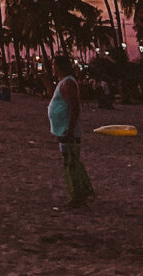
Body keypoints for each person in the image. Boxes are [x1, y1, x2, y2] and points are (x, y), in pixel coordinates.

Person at [48, 56, 94, 208]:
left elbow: (74, 106)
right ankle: (85, 190)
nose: (52, 67)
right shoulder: (63, 82)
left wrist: (69, 127)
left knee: (70, 163)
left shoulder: (68, 82)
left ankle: (77, 197)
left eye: (54, 65)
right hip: (64, 129)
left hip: (68, 131)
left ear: (60, 66)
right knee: (73, 161)